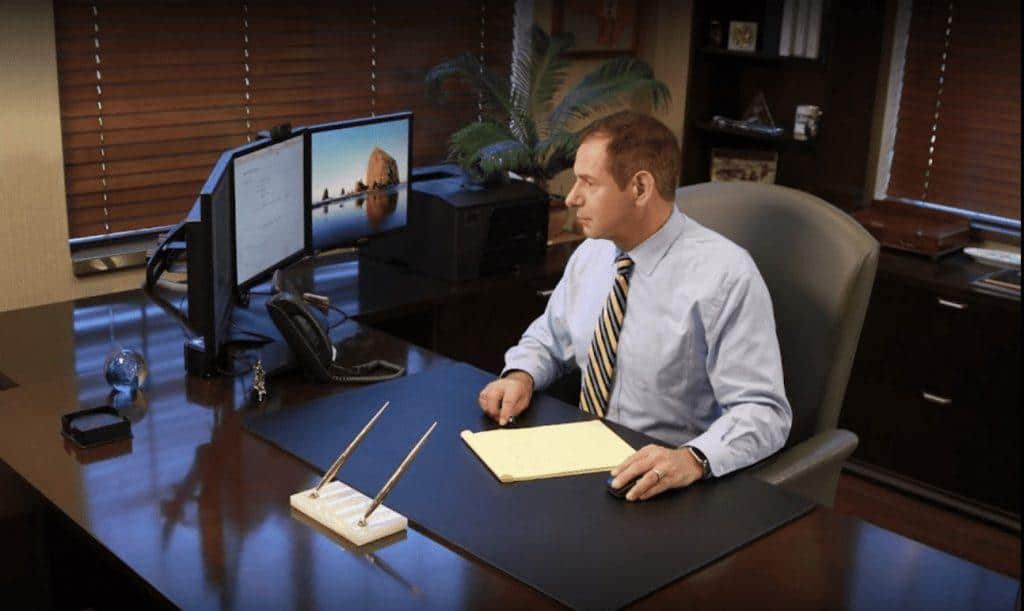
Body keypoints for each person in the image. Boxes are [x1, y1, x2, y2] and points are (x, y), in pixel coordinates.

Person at [477, 110, 791, 501]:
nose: (572, 197)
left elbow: (764, 412)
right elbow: (550, 337)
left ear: (640, 188)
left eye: (588, 183)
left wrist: (692, 459)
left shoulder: (726, 277)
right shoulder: (593, 254)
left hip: (668, 483)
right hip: (583, 465)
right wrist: (520, 375)